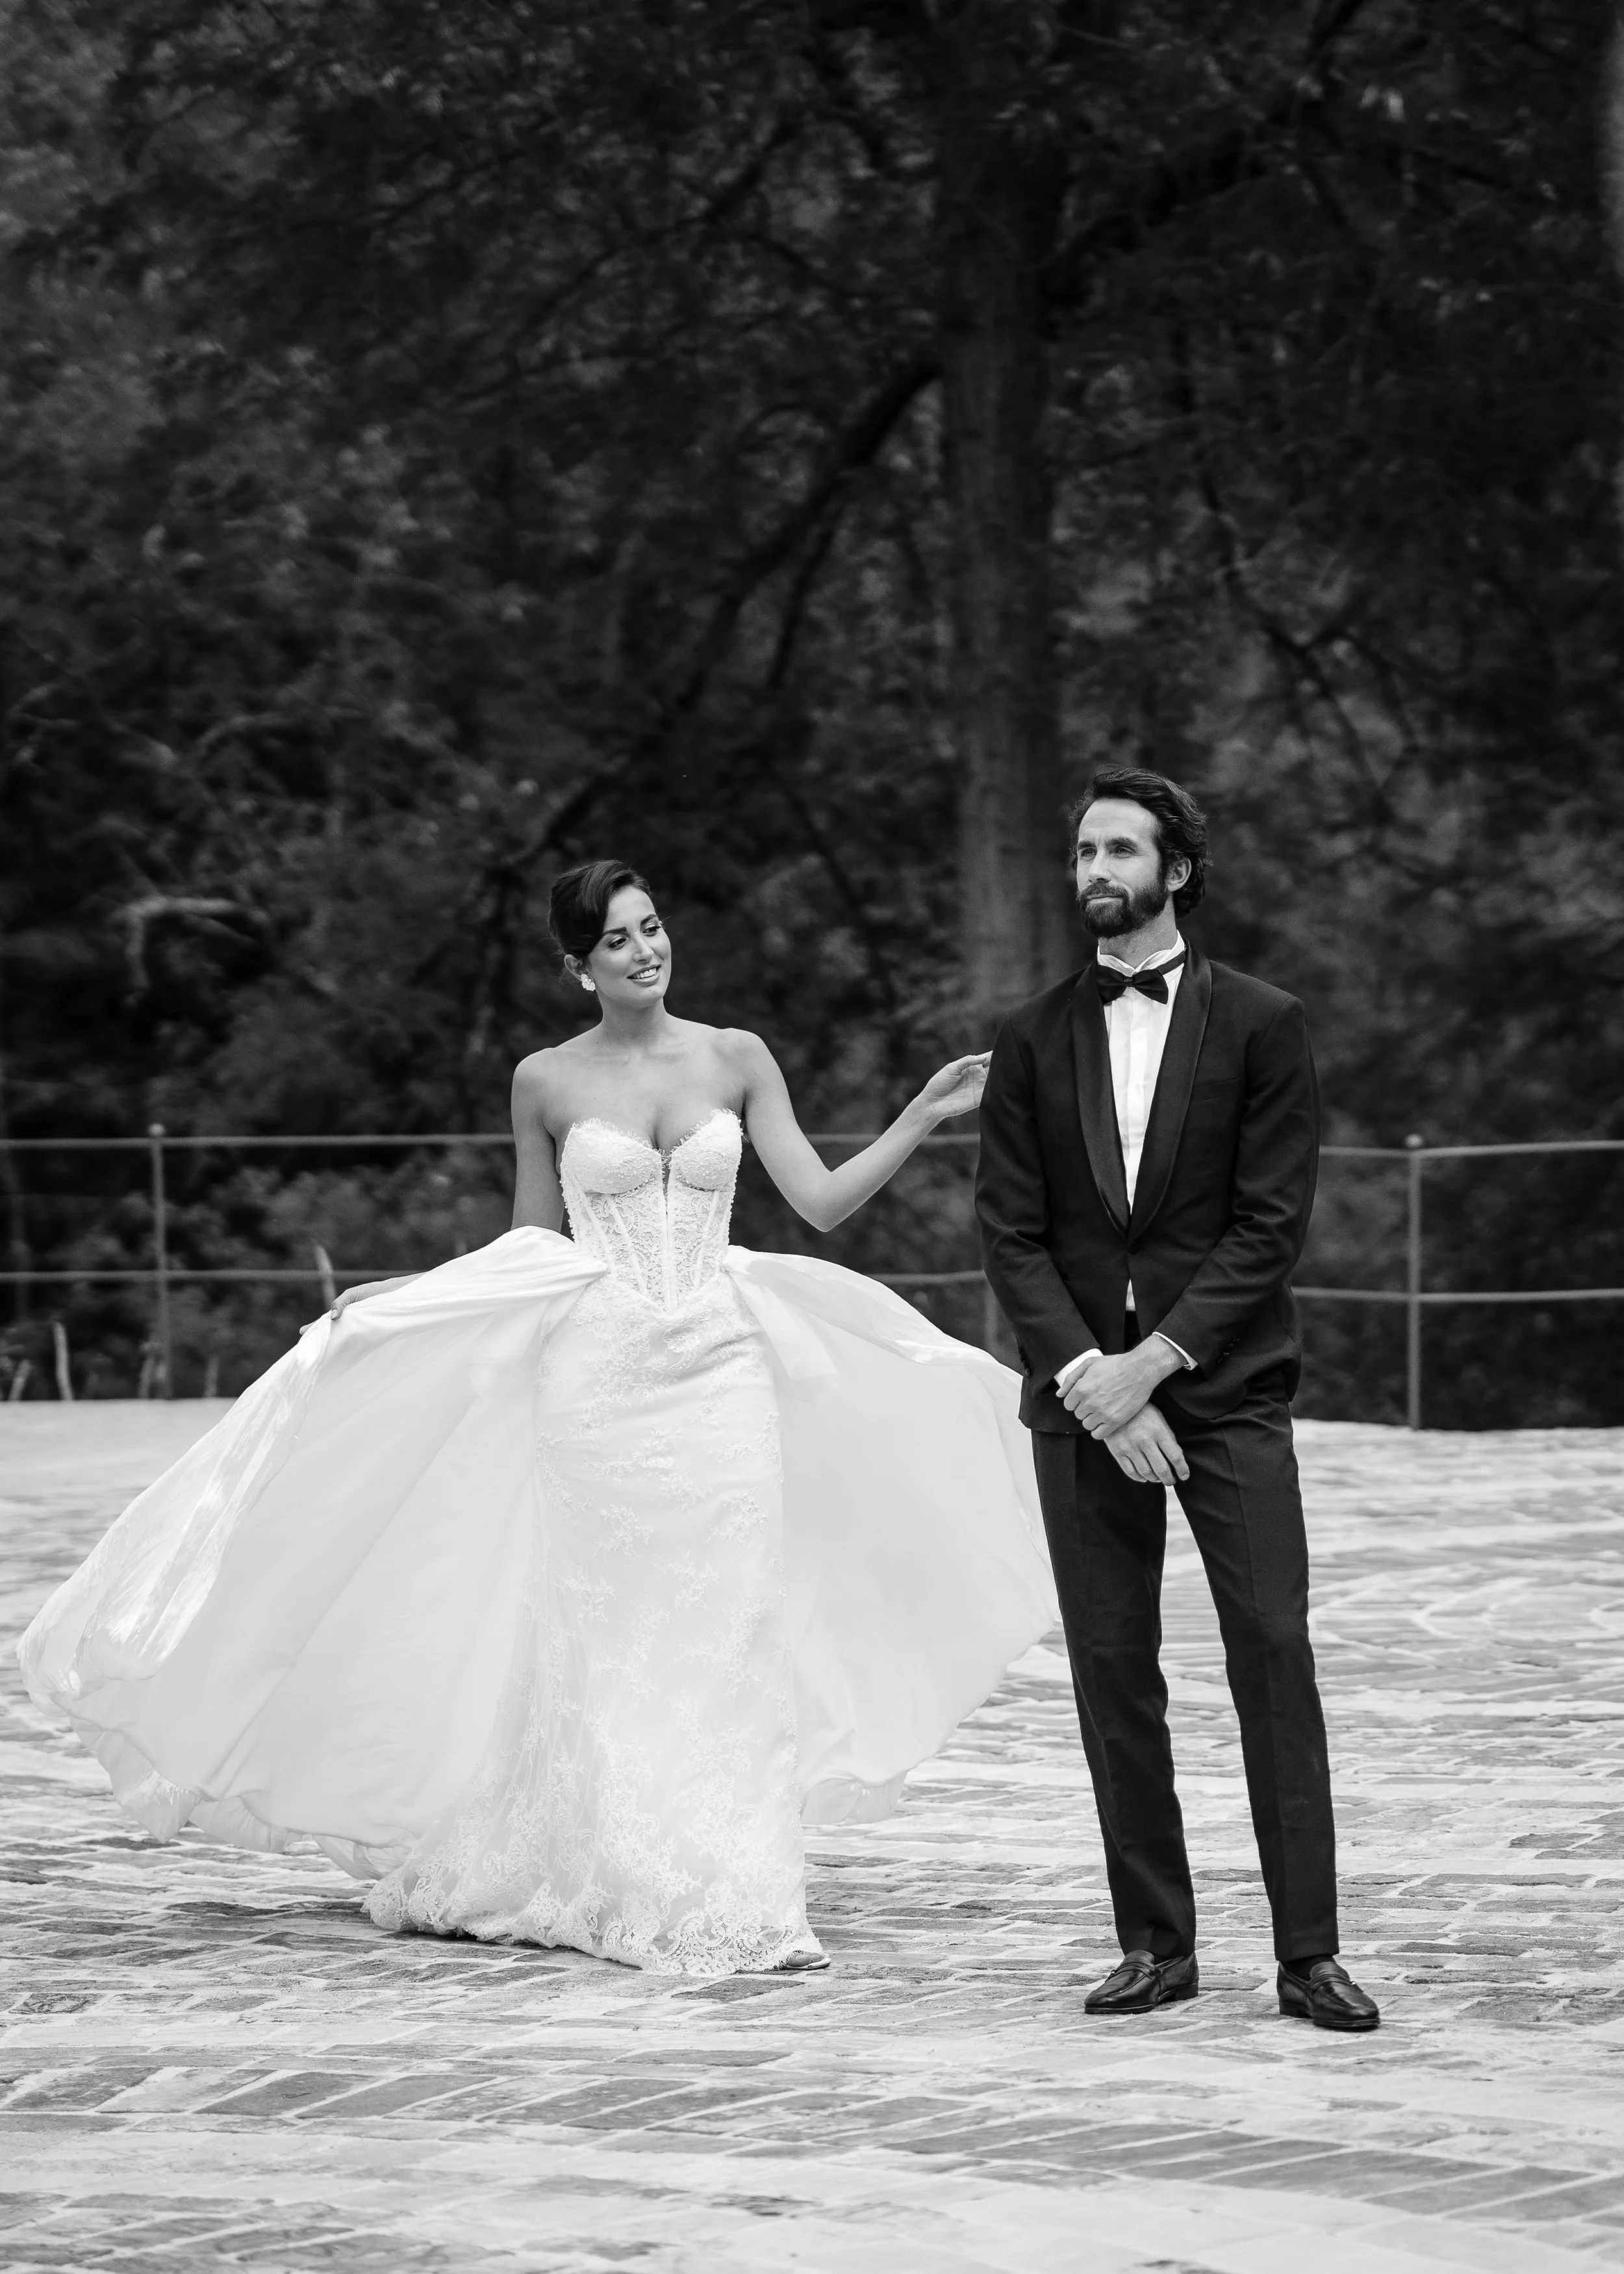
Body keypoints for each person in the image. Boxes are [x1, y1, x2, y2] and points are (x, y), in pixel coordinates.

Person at [19, 861, 1056, 1980]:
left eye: (652, 927)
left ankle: (735, 1882)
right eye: (617, 941)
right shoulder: (545, 1081)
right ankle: (606, 1863)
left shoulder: (736, 1056)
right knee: (605, 1635)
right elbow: (530, 1246)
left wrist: (921, 1113)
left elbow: (820, 1202)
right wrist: (410, 1296)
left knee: (727, 1626)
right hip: (597, 1382)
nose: (646, 951)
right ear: (578, 966)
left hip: (721, 1373)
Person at [974, 765, 1379, 2032]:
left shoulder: (1263, 1023)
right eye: (1083, 850)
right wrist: (1093, 1382)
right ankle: (1155, 1944)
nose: (1094, 869)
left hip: (1227, 1393)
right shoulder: (1029, 1036)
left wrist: (1151, 1364)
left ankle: (1307, 1954)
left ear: (1176, 870)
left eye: (1119, 850)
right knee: (1112, 1668)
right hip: (1080, 1403)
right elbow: (1010, 1234)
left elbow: (1268, 1226)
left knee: (1271, 1650)